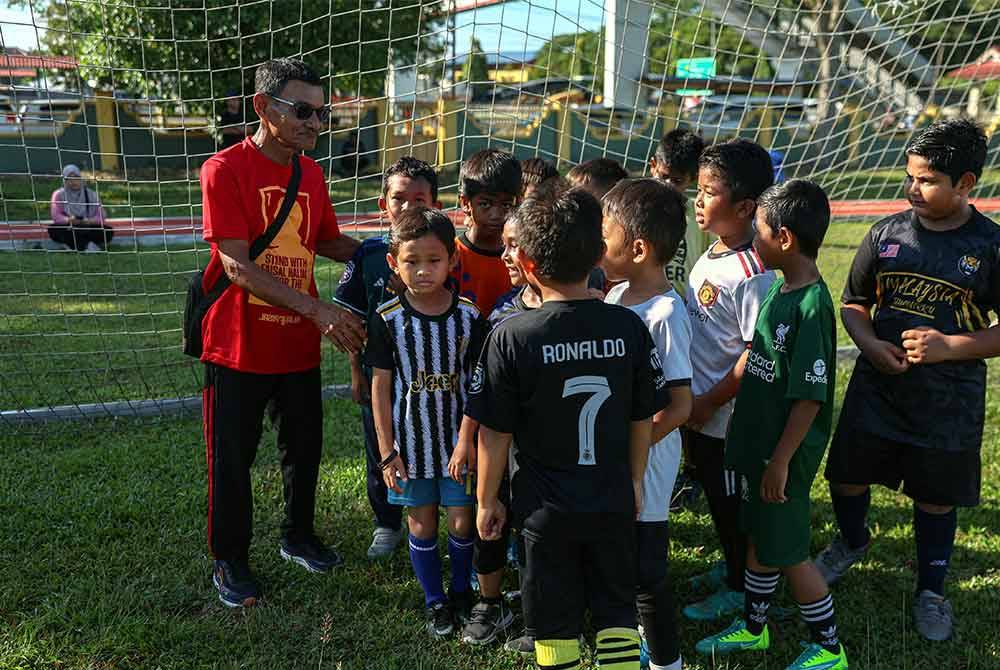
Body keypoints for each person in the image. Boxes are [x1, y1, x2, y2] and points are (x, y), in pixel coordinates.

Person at [815, 118, 1000, 642]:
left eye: (927, 180)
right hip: (878, 386)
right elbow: (854, 303)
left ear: (966, 184)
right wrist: (871, 344)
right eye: (909, 177)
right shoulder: (885, 233)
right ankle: (851, 542)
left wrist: (949, 348)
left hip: (948, 400)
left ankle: (932, 590)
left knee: (934, 497)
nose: (912, 189)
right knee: (846, 474)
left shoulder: (989, 247)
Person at [469, 187, 669, 670]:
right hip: (612, 500)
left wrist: (485, 500)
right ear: (599, 255)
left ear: (528, 266)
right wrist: (636, 480)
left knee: (553, 623)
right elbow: (642, 416)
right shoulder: (627, 328)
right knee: (615, 613)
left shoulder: (512, 335)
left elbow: (493, 434)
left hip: (544, 511)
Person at [199, 58, 365, 608]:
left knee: (305, 450)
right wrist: (318, 312)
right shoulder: (224, 169)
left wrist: (393, 250)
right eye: (302, 111)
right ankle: (230, 560)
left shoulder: (310, 173)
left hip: (296, 345)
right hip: (238, 345)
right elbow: (236, 268)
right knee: (232, 459)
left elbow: (327, 242)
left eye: (322, 113)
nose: (314, 122)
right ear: (263, 108)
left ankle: (298, 537)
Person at [696, 179, 849, 670]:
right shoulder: (782, 290)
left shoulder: (811, 306)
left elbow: (809, 397)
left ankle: (829, 648)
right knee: (761, 538)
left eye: (757, 233)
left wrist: (781, 460)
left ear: (783, 239)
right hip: (759, 445)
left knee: (790, 553)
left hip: (781, 455)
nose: (751, 241)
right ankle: (755, 628)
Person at [367, 207, 487, 638]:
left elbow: (478, 384)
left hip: (459, 444)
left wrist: (467, 442)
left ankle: (460, 592)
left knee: (461, 520)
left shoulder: (470, 317)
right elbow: (380, 388)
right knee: (422, 523)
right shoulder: (386, 319)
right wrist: (386, 451)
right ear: (393, 263)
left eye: (433, 261)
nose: (422, 271)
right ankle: (434, 600)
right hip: (410, 446)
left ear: (453, 258)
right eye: (411, 261)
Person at [682, 139, 776, 622]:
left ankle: (743, 586)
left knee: (733, 501)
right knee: (717, 499)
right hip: (700, 410)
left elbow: (753, 350)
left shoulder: (754, 269)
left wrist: (709, 402)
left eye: (708, 191)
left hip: (727, 416)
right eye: (698, 189)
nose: (698, 200)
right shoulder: (713, 252)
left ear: (744, 206)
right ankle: (731, 567)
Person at [602, 178, 693, 670]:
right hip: (620, 458)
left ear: (637, 248)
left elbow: (679, 406)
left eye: (604, 233)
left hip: (648, 462)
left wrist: (633, 452)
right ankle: (632, 646)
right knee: (621, 562)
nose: (597, 244)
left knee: (647, 569)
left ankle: (665, 661)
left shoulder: (666, 314)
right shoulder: (615, 295)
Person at [333, 156, 441, 560]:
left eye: (420, 198)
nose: (410, 207)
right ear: (384, 205)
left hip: (434, 378)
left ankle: (440, 515)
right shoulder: (370, 255)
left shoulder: (445, 253)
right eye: (400, 198)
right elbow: (353, 319)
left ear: (436, 203)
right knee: (381, 446)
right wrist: (356, 373)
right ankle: (386, 523)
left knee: (437, 445)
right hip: (381, 378)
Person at [460, 206, 542, 649]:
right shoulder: (498, 315)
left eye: (515, 245)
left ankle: (537, 611)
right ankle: (489, 604)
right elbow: (480, 389)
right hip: (500, 450)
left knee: (537, 533)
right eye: (504, 244)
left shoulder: (575, 308)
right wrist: (467, 439)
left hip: (546, 456)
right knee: (489, 522)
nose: (505, 255)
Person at [452, 148, 521, 314]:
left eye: (506, 205)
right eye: (485, 204)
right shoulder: (450, 256)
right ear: (465, 203)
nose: (496, 215)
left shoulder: (522, 256)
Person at [49, 164, 114, 252]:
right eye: (69, 179)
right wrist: (69, 220)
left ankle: (76, 246)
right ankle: (87, 245)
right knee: (54, 230)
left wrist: (88, 221)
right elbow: (56, 216)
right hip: (69, 226)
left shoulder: (92, 194)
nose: (73, 182)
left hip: (88, 226)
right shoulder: (59, 194)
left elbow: (101, 216)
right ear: (64, 180)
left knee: (107, 231)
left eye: (76, 177)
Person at [649, 128, 705, 193]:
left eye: (677, 181)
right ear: (653, 165)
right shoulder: (636, 198)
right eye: (664, 177)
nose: (668, 186)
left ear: (693, 178)